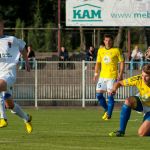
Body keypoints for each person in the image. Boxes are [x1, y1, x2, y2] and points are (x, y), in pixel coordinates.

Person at [0, 18, 32, 133]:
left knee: (0, 84)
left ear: (2, 27)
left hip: (8, 73)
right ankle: (27, 118)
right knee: (10, 105)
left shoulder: (11, 40)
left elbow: (23, 48)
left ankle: (2, 118)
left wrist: (27, 62)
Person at [109, 64, 150, 137]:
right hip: (143, 104)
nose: (143, 78)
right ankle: (121, 131)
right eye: (142, 75)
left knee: (142, 133)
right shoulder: (138, 78)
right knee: (128, 101)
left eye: (146, 76)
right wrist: (114, 89)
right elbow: (119, 83)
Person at [93, 34, 124, 120]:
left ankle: (109, 115)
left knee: (110, 95)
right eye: (106, 40)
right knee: (99, 95)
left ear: (112, 41)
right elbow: (98, 63)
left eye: (109, 40)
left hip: (112, 76)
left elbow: (122, 62)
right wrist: (96, 74)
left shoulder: (117, 50)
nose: (108, 42)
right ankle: (107, 110)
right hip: (102, 76)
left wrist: (120, 74)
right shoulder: (100, 50)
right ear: (104, 41)